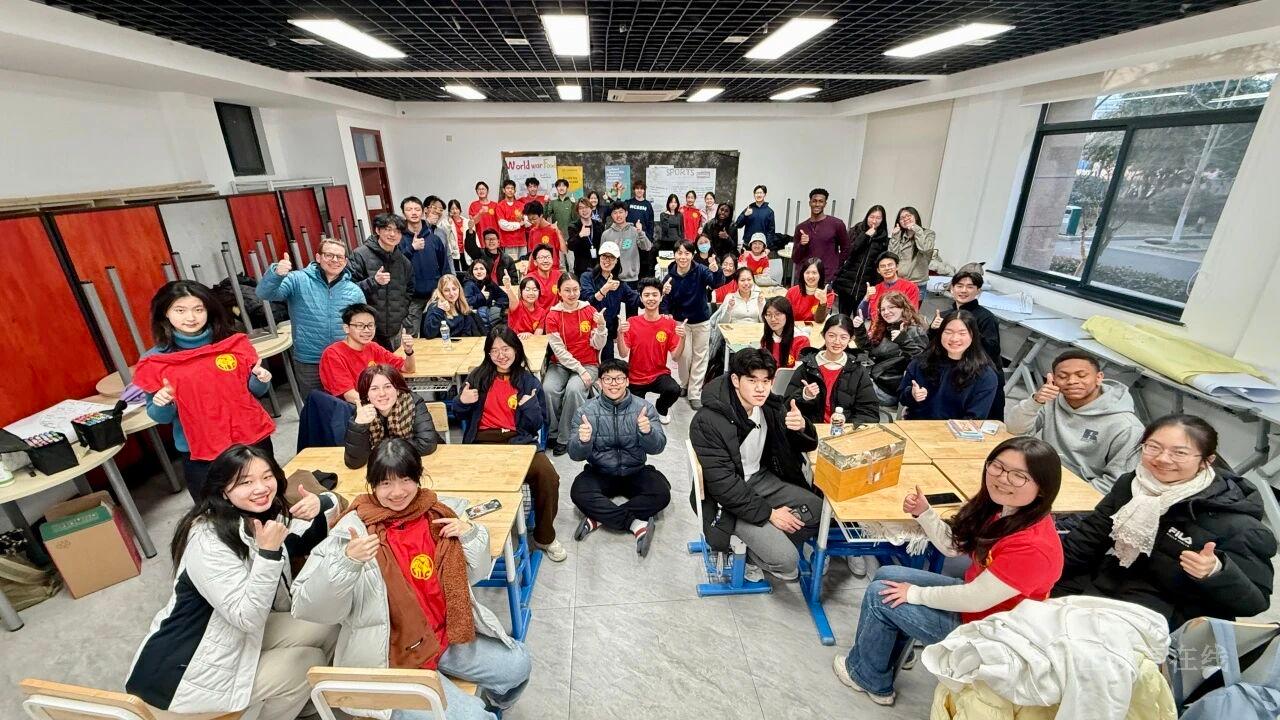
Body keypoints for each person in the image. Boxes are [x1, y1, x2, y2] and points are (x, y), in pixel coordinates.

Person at [292, 439, 531, 719]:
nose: (397, 492)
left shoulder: (438, 513)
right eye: (385, 483)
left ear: (419, 477)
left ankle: (492, 702)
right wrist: (347, 562)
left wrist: (470, 535)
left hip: (444, 637)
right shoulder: (352, 532)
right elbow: (307, 606)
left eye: (405, 480)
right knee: (475, 718)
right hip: (392, 655)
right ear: (372, 485)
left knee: (519, 664)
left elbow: (476, 575)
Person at [833, 437, 1064, 706]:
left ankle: (869, 680)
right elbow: (954, 546)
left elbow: (974, 599)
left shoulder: (1033, 546)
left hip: (990, 634)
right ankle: (891, 651)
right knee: (888, 575)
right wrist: (925, 514)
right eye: (998, 466)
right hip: (980, 608)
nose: (1002, 478)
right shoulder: (1003, 510)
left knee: (879, 595)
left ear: (1043, 488)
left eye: (1018, 476)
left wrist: (915, 594)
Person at [126, 444, 339, 719]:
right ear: (223, 490)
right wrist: (269, 554)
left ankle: (306, 703)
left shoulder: (257, 516)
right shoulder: (207, 539)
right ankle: (286, 704)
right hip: (183, 675)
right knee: (306, 664)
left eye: (267, 476)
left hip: (232, 637)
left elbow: (308, 535)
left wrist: (321, 503)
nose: (260, 488)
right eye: (245, 482)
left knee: (326, 623)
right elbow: (247, 617)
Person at [1052, 415, 1276, 629]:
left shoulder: (1238, 524)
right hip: (1110, 584)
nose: (1162, 459)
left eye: (1179, 453)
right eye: (1153, 447)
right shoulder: (1133, 485)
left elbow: (1254, 603)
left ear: (1207, 461)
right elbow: (1088, 540)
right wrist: (1044, 572)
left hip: (1165, 617)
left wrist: (1216, 572)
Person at [135, 281, 275, 499]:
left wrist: (261, 379)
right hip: (200, 451)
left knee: (265, 498)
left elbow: (256, 391)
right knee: (213, 510)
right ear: (165, 313)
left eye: (198, 309)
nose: (191, 317)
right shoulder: (155, 360)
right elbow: (160, 417)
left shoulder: (233, 344)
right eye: (180, 310)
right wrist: (163, 403)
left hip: (251, 438)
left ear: (208, 310)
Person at [689, 348, 819, 581]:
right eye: (752, 380)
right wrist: (769, 514)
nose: (760, 388)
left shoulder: (769, 405)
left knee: (819, 510)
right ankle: (746, 555)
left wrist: (801, 427)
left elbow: (802, 446)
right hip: (725, 500)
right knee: (787, 562)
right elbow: (723, 486)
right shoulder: (708, 421)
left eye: (766, 381)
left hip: (762, 479)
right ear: (735, 380)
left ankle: (761, 543)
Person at [454, 327, 564, 561]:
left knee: (548, 476)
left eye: (505, 349)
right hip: (482, 442)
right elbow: (460, 412)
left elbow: (539, 424)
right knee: (467, 481)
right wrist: (462, 402)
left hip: (519, 443)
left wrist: (529, 407)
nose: (500, 355)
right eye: (494, 350)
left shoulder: (528, 381)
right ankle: (476, 536)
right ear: (488, 353)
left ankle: (545, 537)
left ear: (516, 349)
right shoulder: (477, 377)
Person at [569, 359, 670, 556]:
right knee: (578, 492)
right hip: (600, 471)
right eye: (608, 379)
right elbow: (574, 454)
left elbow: (658, 448)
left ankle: (597, 518)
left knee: (661, 494)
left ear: (627, 381)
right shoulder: (585, 412)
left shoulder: (644, 408)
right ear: (600, 382)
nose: (613, 384)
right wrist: (583, 441)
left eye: (619, 378)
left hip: (635, 470)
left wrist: (647, 432)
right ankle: (635, 524)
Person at [1006, 349, 1144, 494]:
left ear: (1099, 377)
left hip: (1079, 490)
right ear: (1053, 379)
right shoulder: (1051, 399)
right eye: (1063, 376)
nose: (1072, 381)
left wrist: (1068, 495)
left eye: (1081, 375)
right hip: (1041, 473)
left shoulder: (1127, 426)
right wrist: (1035, 402)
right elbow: (1015, 430)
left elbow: (1115, 482)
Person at [254, 237, 365, 398]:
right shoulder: (298, 280)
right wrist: (276, 274)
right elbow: (263, 293)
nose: (335, 260)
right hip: (309, 361)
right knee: (315, 405)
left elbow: (362, 327)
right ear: (318, 257)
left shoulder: (354, 291)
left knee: (346, 406)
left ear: (345, 261)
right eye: (329, 255)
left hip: (342, 359)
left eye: (340, 257)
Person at [544, 275, 607, 455]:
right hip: (561, 364)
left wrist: (601, 327)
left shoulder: (590, 311)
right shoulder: (552, 315)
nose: (572, 294)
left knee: (574, 390)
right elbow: (559, 351)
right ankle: (552, 432)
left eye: (575, 290)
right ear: (559, 292)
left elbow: (598, 345)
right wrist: (579, 369)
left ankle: (565, 437)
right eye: (567, 290)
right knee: (548, 389)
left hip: (588, 364)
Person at [660, 241, 727, 409]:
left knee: (700, 356)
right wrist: (665, 308)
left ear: (692, 255)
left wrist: (716, 270)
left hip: (701, 320)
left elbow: (716, 283)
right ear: (674, 254)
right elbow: (665, 300)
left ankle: (694, 392)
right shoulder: (669, 276)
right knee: (684, 356)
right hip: (680, 322)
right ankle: (684, 383)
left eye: (687, 253)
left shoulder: (701, 270)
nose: (683, 257)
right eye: (679, 253)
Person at [900, 311, 999, 420]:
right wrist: (911, 394)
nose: (954, 338)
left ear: (973, 336)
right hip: (915, 426)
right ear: (940, 334)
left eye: (962, 333)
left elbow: (975, 418)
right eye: (948, 332)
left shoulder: (985, 375)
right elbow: (902, 398)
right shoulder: (921, 362)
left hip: (956, 429)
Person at [786, 314, 879, 425]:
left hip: (844, 432)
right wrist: (804, 395)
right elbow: (786, 406)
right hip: (811, 429)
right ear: (823, 335)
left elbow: (870, 413)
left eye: (843, 337)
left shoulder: (858, 371)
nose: (837, 342)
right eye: (831, 336)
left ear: (851, 339)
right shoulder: (807, 367)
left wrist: (848, 424)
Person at [344, 364, 440, 468]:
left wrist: (386, 449)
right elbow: (354, 463)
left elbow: (426, 445)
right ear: (367, 395)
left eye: (388, 386)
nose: (382, 393)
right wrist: (359, 426)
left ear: (397, 389)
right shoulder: (362, 412)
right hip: (383, 469)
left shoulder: (412, 402)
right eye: (374, 389)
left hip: (421, 463)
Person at [618, 279, 686, 422]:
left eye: (655, 295)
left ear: (661, 297)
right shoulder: (632, 322)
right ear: (641, 298)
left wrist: (683, 338)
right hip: (635, 377)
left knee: (674, 389)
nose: (651, 298)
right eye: (646, 295)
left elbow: (675, 357)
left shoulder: (669, 324)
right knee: (635, 419)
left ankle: (661, 408)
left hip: (658, 374)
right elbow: (623, 353)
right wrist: (619, 333)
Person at [320, 303, 415, 403]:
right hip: (353, 407)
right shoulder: (333, 354)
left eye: (370, 325)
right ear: (346, 328)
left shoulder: (373, 347)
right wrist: (383, 402)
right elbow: (349, 395)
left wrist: (409, 351)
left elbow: (408, 369)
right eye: (360, 326)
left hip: (378, 401)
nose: (367, 330)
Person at [349, 212, 415, 351]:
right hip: (367, 329)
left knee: (395, 363)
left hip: (395, 328)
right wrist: (374, 281)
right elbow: (348, 290)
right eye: (388, 229)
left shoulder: (404, 261)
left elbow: (409, 290)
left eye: (397, 231)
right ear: (378, 230)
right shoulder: (360, 255)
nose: (393, 234)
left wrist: (401, 313)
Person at [852, 291, 929, 405]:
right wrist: (859, 328)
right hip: (875, 377)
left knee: (845, 386)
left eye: (891, 307)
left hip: (888, 390)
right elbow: (868, 348)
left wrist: (903, 340)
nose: (886, 312)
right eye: (883, 309)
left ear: (903, 308)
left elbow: (922, 363)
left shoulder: (914, 330)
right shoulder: (887, 326)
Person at [397, 196, 451, 338]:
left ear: (423, 211)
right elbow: (395, 265)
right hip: (412, 299)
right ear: (403, 213)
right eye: (409, 209)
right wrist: (411, 248)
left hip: (435, 296)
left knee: (440, 333)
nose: (413, 212)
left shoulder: (434, 239)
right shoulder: (398, 239)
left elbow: (445, 267)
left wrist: (445, 291)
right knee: (412, 336)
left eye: (417, 209)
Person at [580, 241, 639, 362]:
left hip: (608, 334)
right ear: (599, 257)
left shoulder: (619, 284)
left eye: (611, 257)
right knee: (588, 365)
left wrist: (659, 292)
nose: (607, 260)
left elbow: (636, 299)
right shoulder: (587, 277)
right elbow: (588, 302)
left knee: (607, 366)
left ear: (617, 261)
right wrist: (605, 289)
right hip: (587, 331)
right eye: (604, 256)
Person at [835, 205, 890, 315]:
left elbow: (881, 263)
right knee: (843, 317)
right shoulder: (856, 230)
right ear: (867, 217)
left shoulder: (883, 238)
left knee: (859, 317)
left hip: (866, 286)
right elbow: (849, 251)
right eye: (872, 217)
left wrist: (876, 285)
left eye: (878, 218)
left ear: (882, 220)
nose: (874, 221)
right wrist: (865, 236)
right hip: (847, 282)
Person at [792, 188, 848, 285]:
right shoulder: (801, 227)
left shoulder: (836, 224)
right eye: (814, 201)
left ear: (825, 204)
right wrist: (802, 244)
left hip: (826, 277)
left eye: (821, 201)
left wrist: (836, 267)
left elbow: (846, 248)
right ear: (810, 203)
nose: (817, 204)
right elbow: (795, 258)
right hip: (805, 277)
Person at [602, 200, 652, 287]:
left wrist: (640, 232)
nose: (618, 215)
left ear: (626, 213)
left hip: (632, 279)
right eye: (615, 213)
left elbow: (647, 247)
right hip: (612, 279)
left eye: (621, 212)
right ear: (611, 215)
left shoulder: (635, 231)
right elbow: (602, 257)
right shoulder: (606, 234)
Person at [422, 275, 487, 339]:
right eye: (446, 290)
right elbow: (429, 334)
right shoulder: (435, 307)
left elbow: (466, 333)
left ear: (459, 289)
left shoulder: (461, 305)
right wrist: (439, 311)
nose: (452, 293)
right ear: (441, 292)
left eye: (454, 289)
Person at [861, 252, 921, 321]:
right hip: (877, 326)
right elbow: (863, 314)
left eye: (890, 265)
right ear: (878, 270)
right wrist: (866, 297)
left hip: (900, 326)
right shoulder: (875, 289)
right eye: (883, 266)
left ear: (897, 267)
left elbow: (912, 314)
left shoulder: (911, 287)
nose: (887, 268)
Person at [888, 206, 936, 292]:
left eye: (908, 215)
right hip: (898, 281)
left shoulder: (928, 233)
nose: (905, 219)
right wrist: (895, 237)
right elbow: (892, 256)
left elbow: (925, 249)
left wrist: (916, 229)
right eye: (902, 218)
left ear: (916, 217)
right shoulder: (899, 234)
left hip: (917, 284)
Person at [760, 297, 809, 369]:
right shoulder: (766, 339)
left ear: (788, 315)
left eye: (777, 314)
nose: (773, 319)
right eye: (768, 315)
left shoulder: (801, 340)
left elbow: (800, 371)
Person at [786, 257, 834, 323]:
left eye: (814, 273)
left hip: (815, 328)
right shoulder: (792, 291)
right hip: (795, 327)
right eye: (807, 272)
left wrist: (823, 303)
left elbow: (819, 320)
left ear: (820, 275)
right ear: (803, 274)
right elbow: (785, 315)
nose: (810, 276)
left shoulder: (828, 293)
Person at [464, 258, 509, 327]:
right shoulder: (469, 284)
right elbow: (466, 301)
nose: (479, 272)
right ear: (472, 272)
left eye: (482, 269)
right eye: (475, 269)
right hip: (475, 319)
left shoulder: (489, 282)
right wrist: (481, 296)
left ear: (486, 271)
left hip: (489, 315)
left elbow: (504, 296)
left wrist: (496, 306)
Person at [625, 180, 656, 278]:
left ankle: (642, 283)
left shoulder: (647, 205)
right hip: (629, 237)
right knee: (629, 261)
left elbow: (651, 223)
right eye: (637, 188)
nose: (639, 190)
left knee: (644, 263)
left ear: (644, 190)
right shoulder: (628, 203)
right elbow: (617, 208)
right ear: (634, 190)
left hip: (643, 238)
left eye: (641, 188)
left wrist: (650, 239)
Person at [522, 200, 565, 270]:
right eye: (529, 219)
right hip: (536, 270)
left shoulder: (553, 230)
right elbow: (531, 253)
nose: (532, 222)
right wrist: (528, 268)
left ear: (541, 215)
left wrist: (559, 233)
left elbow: (564, 250)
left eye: (534, 219)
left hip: (552, 269)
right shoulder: (532, 231)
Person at [566, 197, 603, 277]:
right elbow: (570, 246)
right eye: (581, 208)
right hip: (581, 269)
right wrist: (580, 235)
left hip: (598, 267)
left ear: (591, 208)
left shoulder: (599, 225)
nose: (584, 210)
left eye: (586, 207)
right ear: (578, 211)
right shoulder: (574, 226)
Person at [494, 179, 527, 258]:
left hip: (522, 242)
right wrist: (519, 224)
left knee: (524, 263)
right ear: (503, 190)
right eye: (508, 188)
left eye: (512, 188)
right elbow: (503, 225)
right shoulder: (500, 206)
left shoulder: (521, 205)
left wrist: (524, 221)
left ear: (515, 190)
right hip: (508, 243)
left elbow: (527, 221)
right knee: (511, 264)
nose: (510, 190)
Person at [524, 243, 562, 311]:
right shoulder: (530, 279)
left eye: (548, 257)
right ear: (535, 262)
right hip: (538, 316)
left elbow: (563, 299)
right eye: (541, 258)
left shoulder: (558, 275)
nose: (545, 261)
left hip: (555, 314)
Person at [444, 198, 468, 266]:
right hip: (454, 252)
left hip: (465, 251)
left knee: (466, 269)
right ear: (449, 210)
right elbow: (445, 236)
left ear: (460, 209)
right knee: (455, 270)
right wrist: (449, 223)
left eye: (457, 208)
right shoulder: (446, 222)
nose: (455, 211)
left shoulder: (466, 221)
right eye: (452, 209)